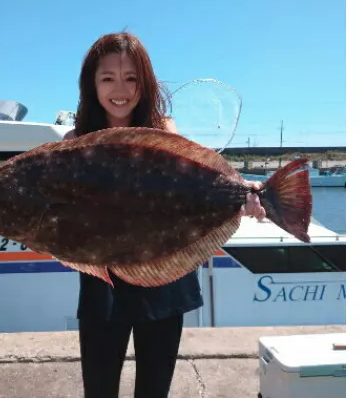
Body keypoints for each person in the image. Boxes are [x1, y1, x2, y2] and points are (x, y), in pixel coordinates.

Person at [64, 31, 266, 398]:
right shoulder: (73, 144)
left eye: (131, 79)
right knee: (98, 388)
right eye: (107, 78)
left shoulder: (164, 130)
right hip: (104, 282)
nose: (119, 89)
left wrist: (243, 192)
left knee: (155, 390)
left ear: (146, 83)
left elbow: (200, 182)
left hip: (165, 275)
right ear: (91, 84)